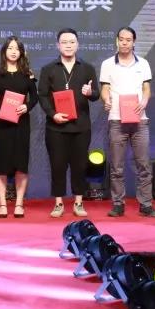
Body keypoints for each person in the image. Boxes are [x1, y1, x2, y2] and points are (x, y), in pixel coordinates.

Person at [38, 28, 99, 218]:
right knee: (57, 166)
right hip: (56, 127)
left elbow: (96, 94)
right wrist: (53, 114)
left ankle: (78, 202)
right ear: (58, 45)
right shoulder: (48, 69)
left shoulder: (87, 68)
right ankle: (58, 203)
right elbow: (42, 96)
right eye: (64, 42)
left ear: (77, 44)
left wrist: (90, 93)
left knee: (79, 166)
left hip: (81, 127)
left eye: (72, 42)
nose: (68, 45)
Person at [100, 27, 155, 217]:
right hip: (117, 119)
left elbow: (146, 88)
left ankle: (146, 204)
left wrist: (145, 100)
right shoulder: (108, 64)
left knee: (144, 165)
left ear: (134, 42)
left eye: (128, 39)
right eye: (121, 39)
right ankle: (118, 203)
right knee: (117, 166)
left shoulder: (143, 63)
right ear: (117, 41)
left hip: (139, 120)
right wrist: (106, 100)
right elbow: (105, 89)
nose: (124, 43)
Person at [0, 36, 38, 218]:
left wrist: (27, 106)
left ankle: (19, 203)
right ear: (4, 51)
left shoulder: (27, 73)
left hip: (21, 123)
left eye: (17, 48)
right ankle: (2, 203)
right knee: (1, 164)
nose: (13, 52)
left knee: (21, 164)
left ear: (21, 52)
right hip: (2, 124)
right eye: (10, 48)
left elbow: (35, 97)